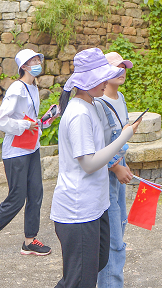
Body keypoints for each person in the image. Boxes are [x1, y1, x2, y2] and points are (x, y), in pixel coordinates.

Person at [51, 48, 140, 288]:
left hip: (95, 206)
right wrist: (125, 137)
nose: (104, 82)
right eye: (100, 77)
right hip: (78, 210)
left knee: (93, 267)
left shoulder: (91, 105)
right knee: (80, 280)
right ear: (87, 80)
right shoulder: (79, 113)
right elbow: (89, 163)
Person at [0, 49, 52, 262]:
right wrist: (25, 124)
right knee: (17, 198)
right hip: (16, 152)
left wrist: (43, 122)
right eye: (33, 61)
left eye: (39, 59)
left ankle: (29, 241)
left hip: (31, 147)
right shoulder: (17, 88)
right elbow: (1, 120)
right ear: (24, 67)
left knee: (36, 194)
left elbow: (29, 119)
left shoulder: (33, 87)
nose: (38, 63)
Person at [94, 51, 134, 288]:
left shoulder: (120, 99)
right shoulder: (99, 104)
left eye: (124, 67)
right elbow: (99, 147)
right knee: (113, 241)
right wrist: (116, 166)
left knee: (120, 225)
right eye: (115, 68)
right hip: (107, 176)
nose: (121, 71)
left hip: (120, 171)